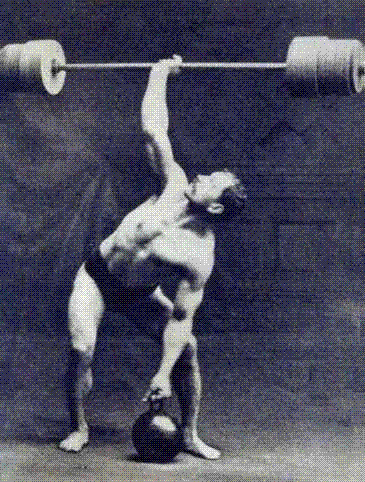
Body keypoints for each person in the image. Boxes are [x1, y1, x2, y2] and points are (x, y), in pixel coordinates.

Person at [59, 55, 247, 460]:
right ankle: (78, 425)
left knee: (189, 349)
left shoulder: (199, 254)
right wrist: (159, 74)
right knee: (81, 348)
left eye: (211, 182)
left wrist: (162, 374)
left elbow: (181, 320)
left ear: (215, 208)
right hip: (96, 277)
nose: (201, 176)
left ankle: (191, 434)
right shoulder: (173, 184)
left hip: (137, 294)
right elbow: (153, 128)